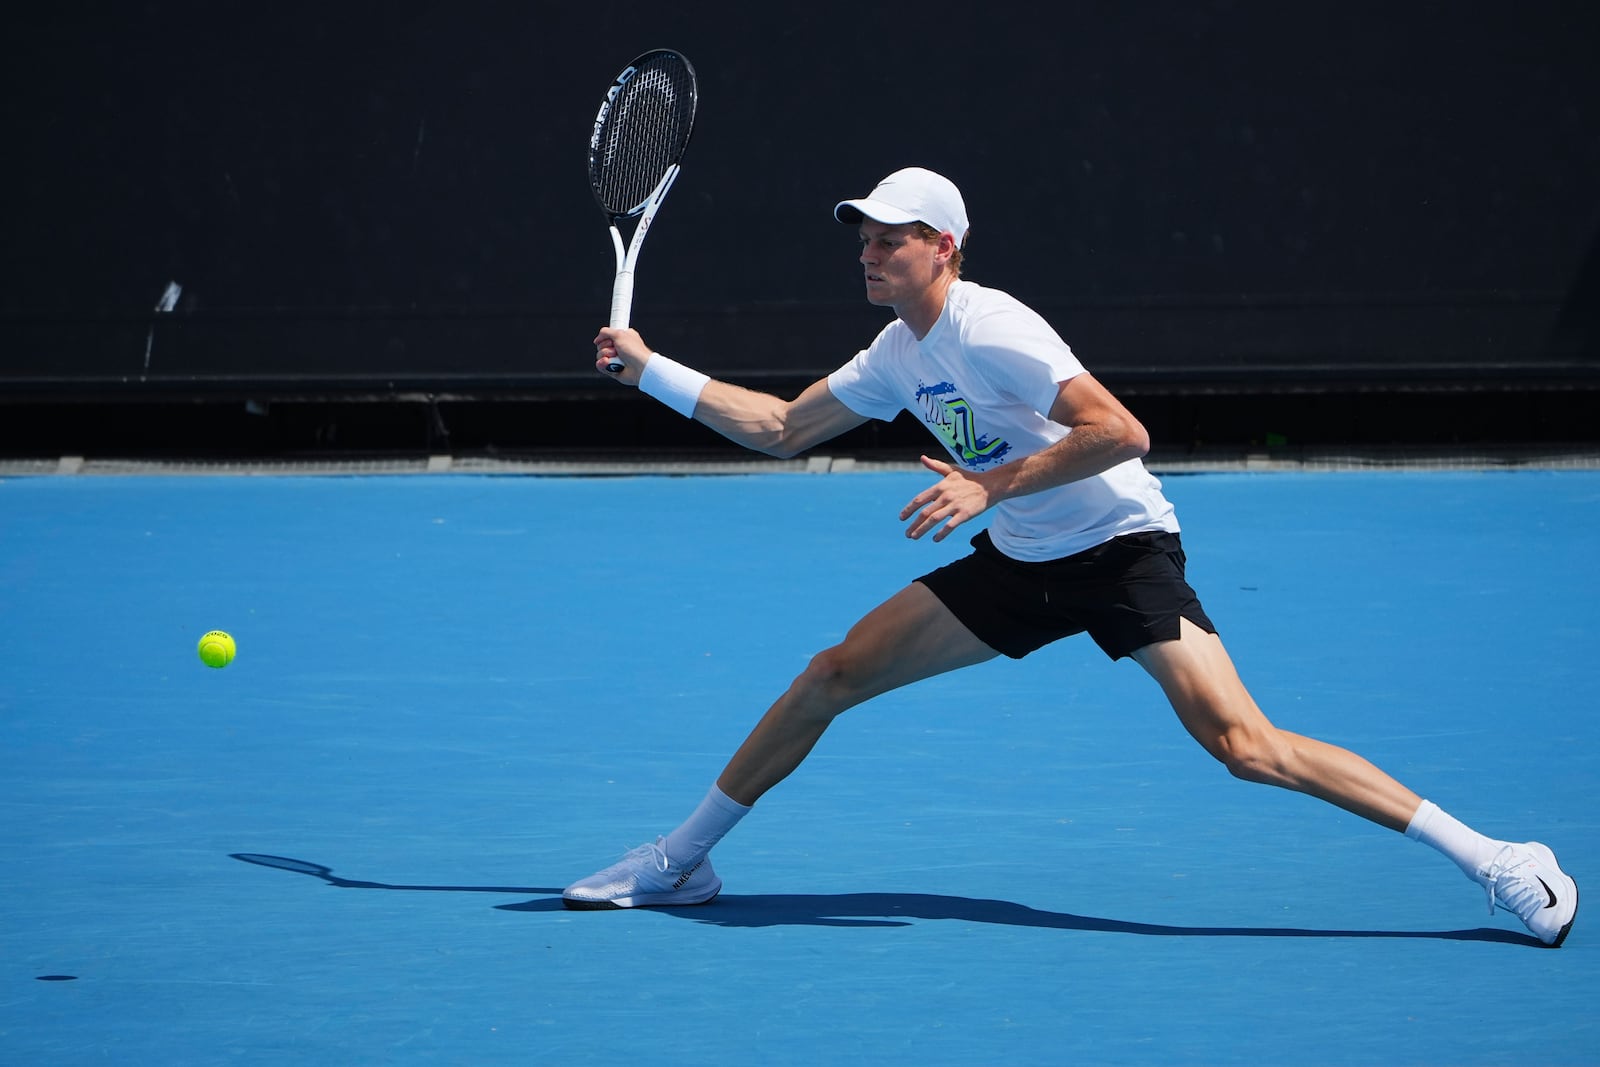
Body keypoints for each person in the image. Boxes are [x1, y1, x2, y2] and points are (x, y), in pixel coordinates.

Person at [565, 166, 1578, 947]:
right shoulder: (894, 354)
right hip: (1019, 559)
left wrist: (989, 484)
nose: (867, 253)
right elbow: (782, 425)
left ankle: (1493, 856)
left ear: (942, 248)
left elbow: (1121, 431)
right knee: (831, 672)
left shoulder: (993, 328)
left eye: (889, 239)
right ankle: (680, 860)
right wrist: (652, 371)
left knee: (1244, 745)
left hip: (1119, 548)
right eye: (862, 240)